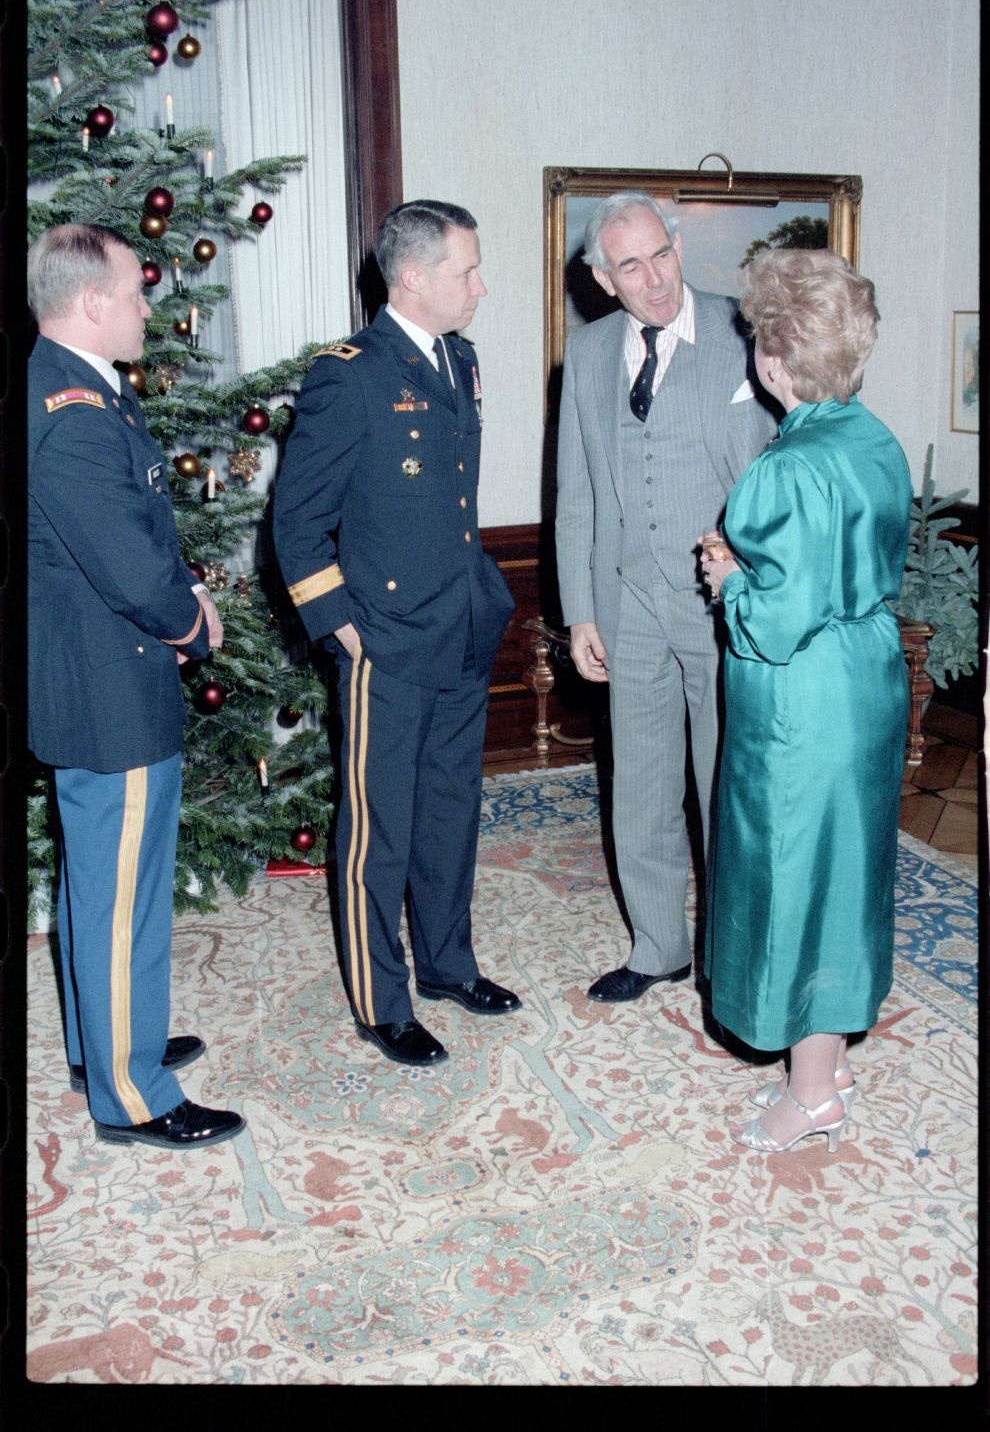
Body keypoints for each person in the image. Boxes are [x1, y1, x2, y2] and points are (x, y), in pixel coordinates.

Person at [274, 199, 520, 1068]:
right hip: (383, 639)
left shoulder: (462, 360)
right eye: (467, 271)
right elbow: (297, 521)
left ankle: (450, 965)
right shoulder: (350, 373)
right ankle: (384, 1002)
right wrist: (340, 627)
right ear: (412, 278)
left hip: (460, 627)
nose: (481, 287)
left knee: (451, 810)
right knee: (378, 826)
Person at [28, 223, 244, 1150]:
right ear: (91, 304)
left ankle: (105, 1042)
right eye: (135, 290)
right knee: (121, 894)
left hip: (99, 682)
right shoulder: (72, 411)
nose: (149, 307)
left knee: (99, 885)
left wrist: (182, 583)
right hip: (111, 691)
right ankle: (133, 1091)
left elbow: (134, 526)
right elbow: (127, 566)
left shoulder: (76, 388)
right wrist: (195, 620)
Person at [700, 248, 912, 1152]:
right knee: (847, 863)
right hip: (868, 677)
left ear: (775, 360)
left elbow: (774, 622)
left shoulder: (783, 472)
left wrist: (727, 577)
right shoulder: (875, 440)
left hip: (802, 699)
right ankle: (829, 1051)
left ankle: (814, 1089)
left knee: (795, 874)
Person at [555, 192, 777, 1003]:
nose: (653, 279)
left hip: (726, 606)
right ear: (601, 277)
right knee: (641, 782)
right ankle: (658, 946)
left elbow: (788, 468)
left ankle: (734, 952)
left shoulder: (746, 333)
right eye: (630, 265)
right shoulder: (586, 354)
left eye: (662, 254)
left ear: (679, 247)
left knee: (729, 784)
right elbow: (575, 490)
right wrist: (582, 610)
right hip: (628, 603)